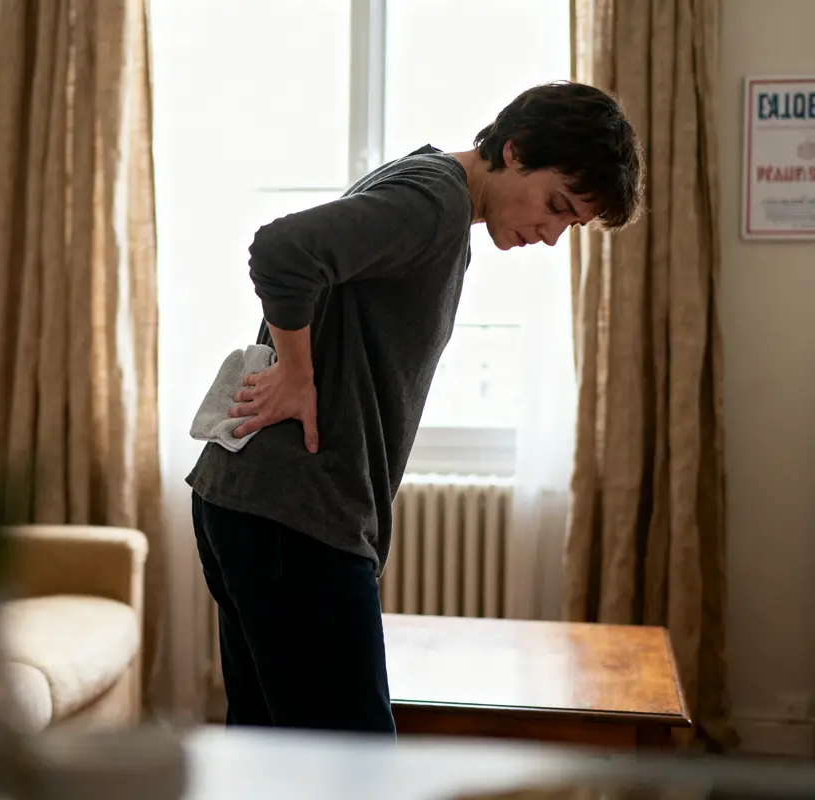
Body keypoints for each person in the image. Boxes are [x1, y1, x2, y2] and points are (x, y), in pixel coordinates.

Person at [186, 80, 645, 736]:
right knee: (355, 768)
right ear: (514, 152)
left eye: (569, 224)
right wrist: (296, 372)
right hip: (295, 515)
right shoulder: (433, 200)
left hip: (256, 506)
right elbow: (282, 251)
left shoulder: (431, 194)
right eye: (557, 205)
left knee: (273, 757)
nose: (551, 235)